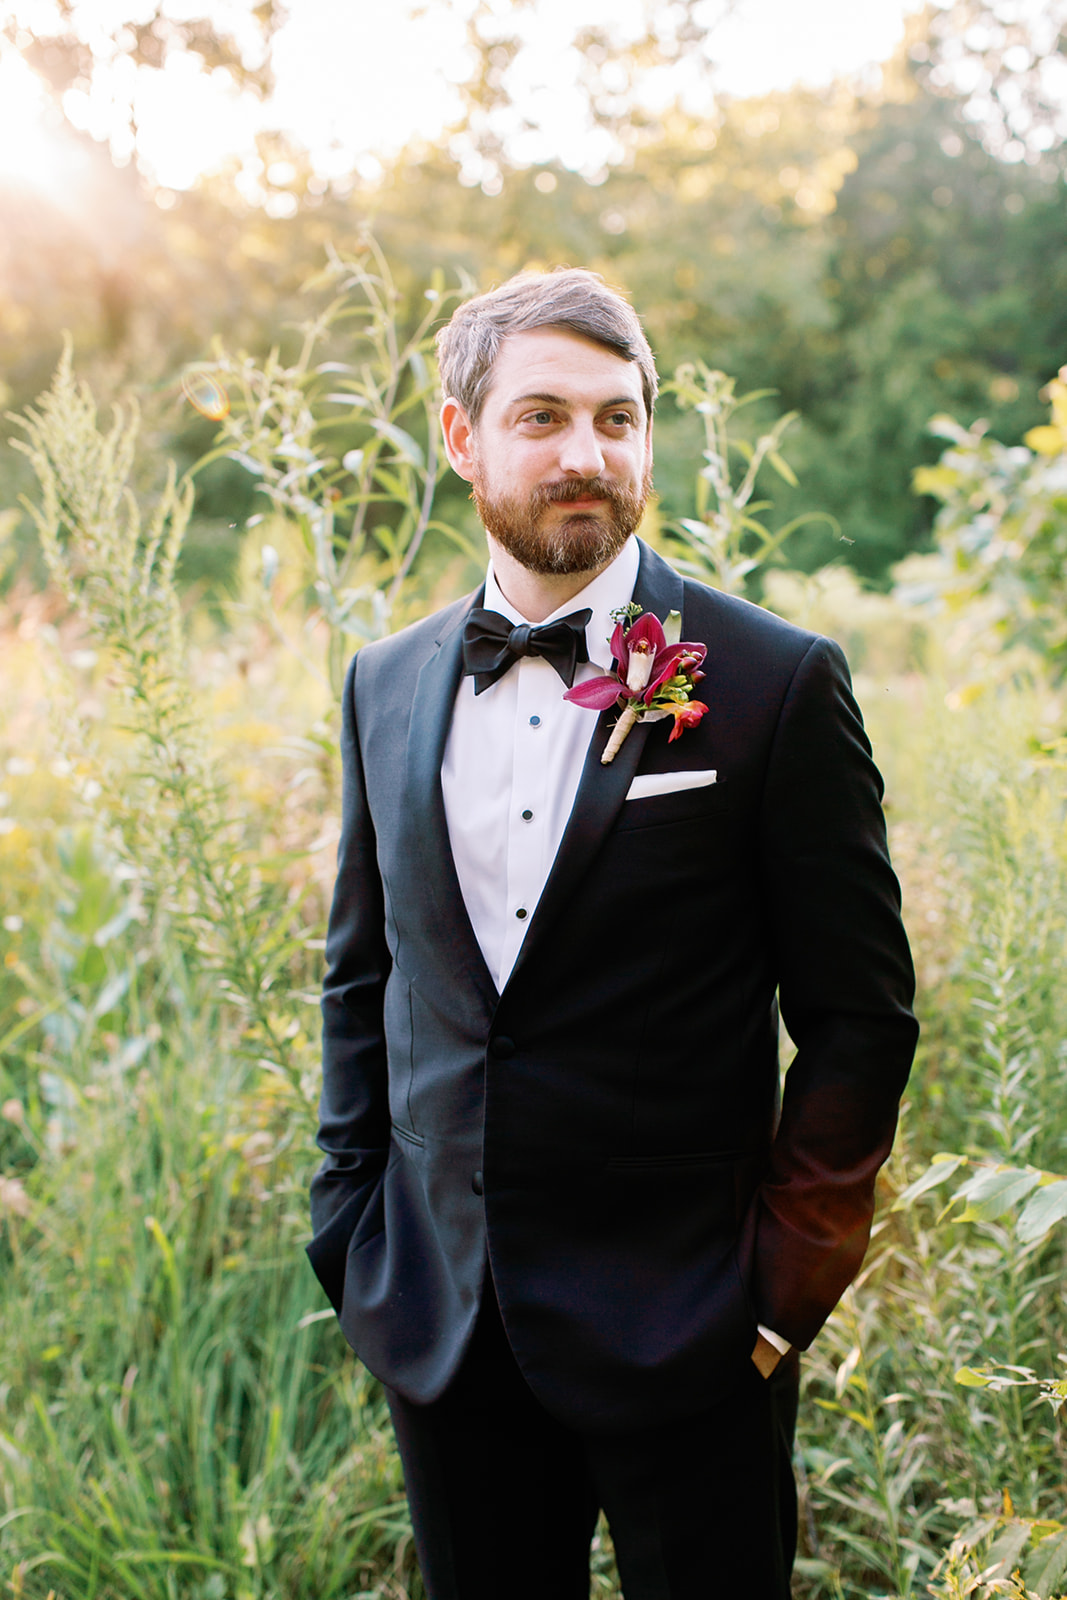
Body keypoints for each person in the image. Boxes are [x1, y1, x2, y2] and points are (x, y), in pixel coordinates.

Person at [307, 268, 918, 1600]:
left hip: (696, 1327)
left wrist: (776, 1298)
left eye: (618, 418)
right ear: (463, 440)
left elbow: (862, 1016)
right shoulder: (385, 683)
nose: (587, 454)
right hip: (444, 1323)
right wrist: (352, 1231)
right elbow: (364, 979)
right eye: (541, 417)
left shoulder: (773, 682)